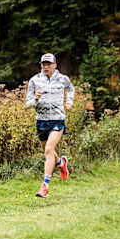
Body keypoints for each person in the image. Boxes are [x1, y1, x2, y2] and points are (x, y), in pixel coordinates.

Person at [25, 53, 75, 198]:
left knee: (48, 149)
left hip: (57, 119)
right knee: (48, 153)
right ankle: (61, 162)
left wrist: (69, 102)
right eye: (43, 64)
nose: (45, 67)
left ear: (54, 65)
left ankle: (44, 187)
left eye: (48, 64)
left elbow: (71, 89)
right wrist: (35, 98)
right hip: (41, 120)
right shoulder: (34, 80)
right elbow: (27, 105)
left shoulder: (62, 79)